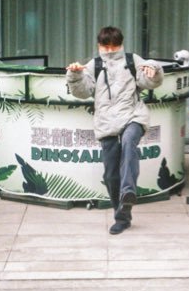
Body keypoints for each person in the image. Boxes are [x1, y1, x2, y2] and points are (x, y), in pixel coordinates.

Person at [66, 26, 164, 234]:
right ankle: (122, 216)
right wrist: (74, 75)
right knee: (111, 175)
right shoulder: (95, 65)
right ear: (99, 45)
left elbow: (149, 81)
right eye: (105, 45)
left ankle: (128, 191)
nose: (110, 50)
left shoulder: (132, 60)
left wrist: (154, 69)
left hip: (133, 116)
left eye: (115, 45)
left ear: (121, 44)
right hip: (106, 122)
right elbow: (84, 92)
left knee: (129, 142)